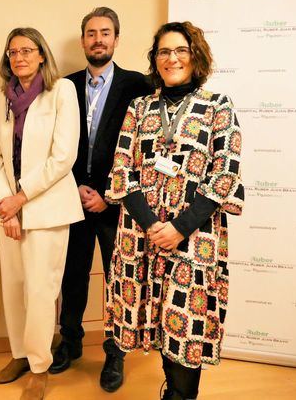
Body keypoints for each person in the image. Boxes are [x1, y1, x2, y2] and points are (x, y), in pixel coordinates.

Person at [104, 21, 244, 400]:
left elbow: (225, 174)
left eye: (180, 50)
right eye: (164, 52)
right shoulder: (139, 107)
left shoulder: (218, 106)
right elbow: (121, 171)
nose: (172, 58)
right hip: (142, 236)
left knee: (185, 325)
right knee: (158, 322)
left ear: (195, 55)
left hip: (194, 238)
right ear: (155, 60)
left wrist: (179, 227)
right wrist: (153, 226)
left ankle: (181, 395)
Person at [51, 7, 153, 392]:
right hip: (72, 197)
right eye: (91, 33)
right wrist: (75, 186)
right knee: (72, 276)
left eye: (105, 32)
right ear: (82, 41)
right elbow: (56, 143)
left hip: (118, 204)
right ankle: (71, 344)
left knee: (118, 281)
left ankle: (115, 352)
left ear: (116, 39)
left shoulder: (139, 86)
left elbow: (144, 150)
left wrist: (110, 196)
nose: (98, 39)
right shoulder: (65, 85)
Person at [0, 27, 83, 400]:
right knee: (13, 288)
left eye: (27, 50)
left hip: (46, 209)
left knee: (42, 291)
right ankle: (19, 354)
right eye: (12, 52)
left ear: (42, 54)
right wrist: (5, 205)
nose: (20, 57)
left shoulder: (62, 91)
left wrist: (21, 198)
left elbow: (63, 157)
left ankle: (40, 366)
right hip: (7, 211)